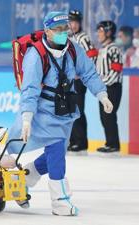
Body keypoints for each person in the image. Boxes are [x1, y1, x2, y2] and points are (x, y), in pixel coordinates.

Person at [6, 12, 113, 216]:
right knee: (56, 151)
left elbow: (89, 72)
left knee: (56, 153)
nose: (64, 32)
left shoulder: (73, 48)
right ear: (47, 31)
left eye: (66, 28)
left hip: (65, 110)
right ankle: (60, 201)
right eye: (58, 29)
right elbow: (29, 89)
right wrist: (27, 117)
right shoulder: (36, 54)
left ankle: (24, 179)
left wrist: (102, 94)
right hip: (44, 111)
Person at [67, 10, 98, 155]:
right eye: (71, 22)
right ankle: (73, 140)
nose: (73, 25)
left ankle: (81, 142)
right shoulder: (65, 38)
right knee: (69, 111)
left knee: (78, 110)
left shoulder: (84, 38)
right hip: (68, 81)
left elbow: (92, 57)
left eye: (76, 22)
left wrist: (82, 73)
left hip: (78, 81)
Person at [95, 21, 123, 155]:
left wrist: (103, 83)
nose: (98, 34)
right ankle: (110, 143)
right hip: (104, 88)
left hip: (112, 87)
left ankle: (113, 145)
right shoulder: (102, 49)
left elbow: (116, 70)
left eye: (101, 31)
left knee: (109, 116)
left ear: (108, 32)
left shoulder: (113, 48)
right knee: (104, 116)